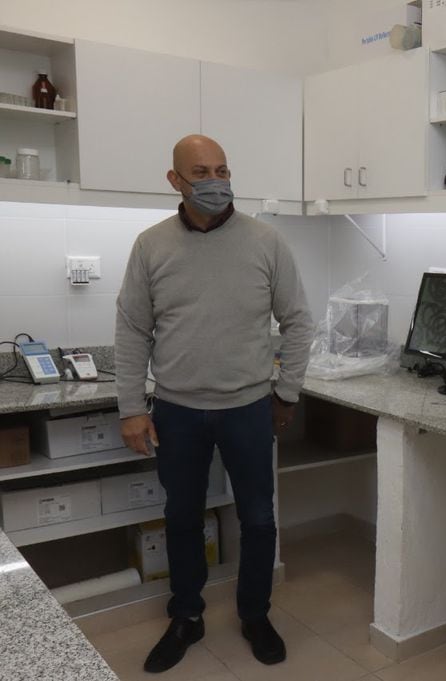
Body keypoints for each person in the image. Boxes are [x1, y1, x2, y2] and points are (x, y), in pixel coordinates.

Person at [115, 134, 314, 673]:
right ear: (175, 181)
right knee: (181, 515)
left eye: (222, 169)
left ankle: (254, 613)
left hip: (249, 407)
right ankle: (187, 615)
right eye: (200, 172)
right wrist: (132, 407)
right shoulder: (151, 246)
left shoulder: (265, 242)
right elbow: (133, 330)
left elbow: (297, 321)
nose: (215, 181)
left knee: (257, 517)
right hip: (177, 410)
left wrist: (286, 391)